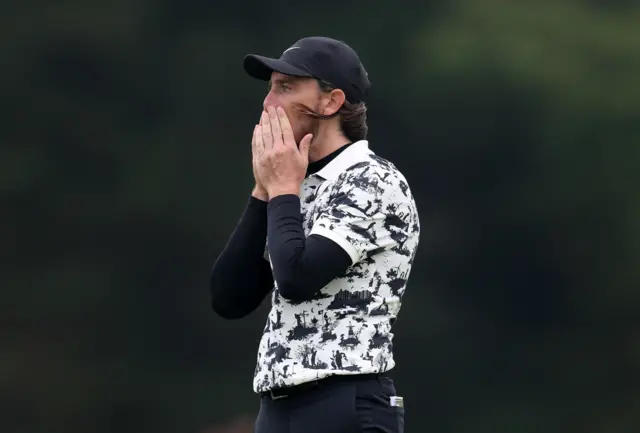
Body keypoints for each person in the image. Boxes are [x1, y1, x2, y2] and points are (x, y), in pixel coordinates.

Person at [210, 36, 420, 433]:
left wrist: (282, 189)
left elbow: (297, 277)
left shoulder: (372, 180)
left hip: (343, 401)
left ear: (331, 102)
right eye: (270, 88)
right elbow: (228, 298)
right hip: (277, 406)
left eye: (286, 88)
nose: (268, 103)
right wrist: (263, 190)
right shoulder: (295, 183)